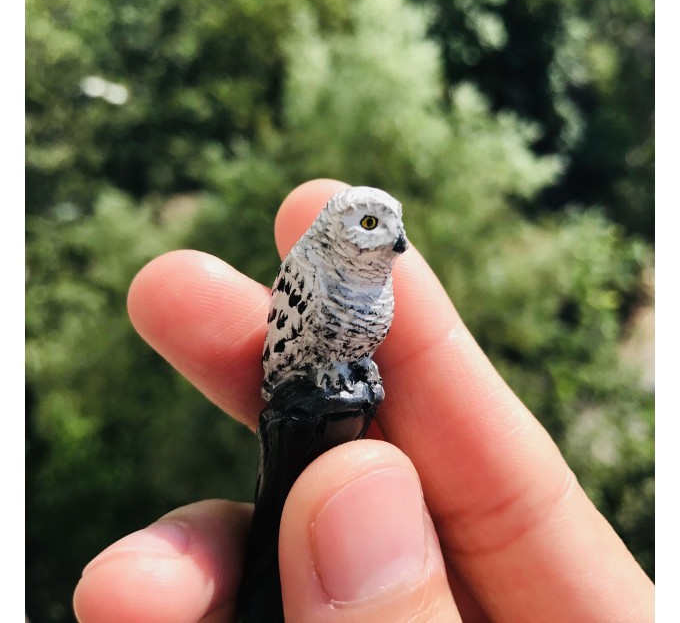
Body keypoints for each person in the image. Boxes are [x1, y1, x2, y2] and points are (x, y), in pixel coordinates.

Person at [73, 179, 654, 622]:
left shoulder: (379, 286)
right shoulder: (309, 270)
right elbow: (287, 341)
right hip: (301, 384)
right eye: (372, 223)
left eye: (390, 223)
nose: (393, 237)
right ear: (340, 230)